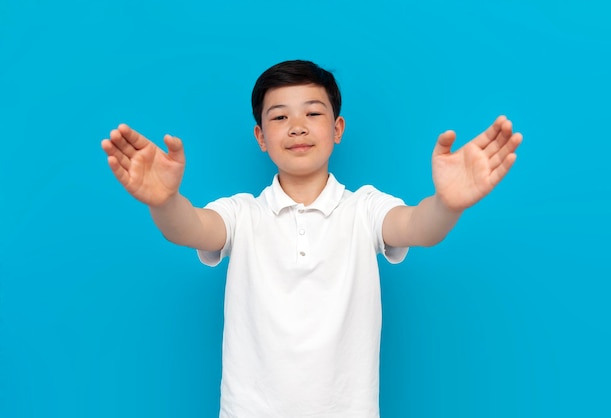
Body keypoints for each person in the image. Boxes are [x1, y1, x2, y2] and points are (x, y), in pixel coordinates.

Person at [101, 60, 522, 418]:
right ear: (260, 138)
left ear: (337, 128)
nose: (297, 127)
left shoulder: (365, 208)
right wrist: (164, 201)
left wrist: (448, 204)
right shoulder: (242, 213)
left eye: (313, 114)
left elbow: (417, 227)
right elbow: (190, 227)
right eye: (279, 117)